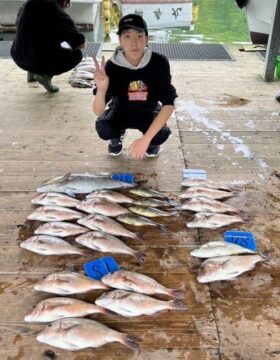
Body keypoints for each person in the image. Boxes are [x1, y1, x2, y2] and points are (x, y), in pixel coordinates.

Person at [93, 14, 177, 160]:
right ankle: (116, 137)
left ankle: (151, 142)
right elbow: (98, 111)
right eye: (127, 36)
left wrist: (145, 140)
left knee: (159, 135)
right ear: (119, 40)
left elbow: (169, 104)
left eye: (139, 36)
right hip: (120, 110)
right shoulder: (112, 66)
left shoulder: (159, 62)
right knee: (104, 129)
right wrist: (101, 89)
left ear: (147, 39)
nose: (134, 43)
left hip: (148, 110)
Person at [10, 0, 86, 93]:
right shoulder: (55, 10)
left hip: (18, 56)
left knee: (35, 38)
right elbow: (79, 41)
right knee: (77, 55)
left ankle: (31, 74)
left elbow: (19, 23)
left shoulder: (29, 3)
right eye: (67, 4)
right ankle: (45, 76)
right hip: (37, 61)